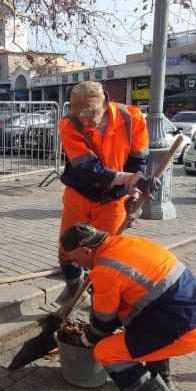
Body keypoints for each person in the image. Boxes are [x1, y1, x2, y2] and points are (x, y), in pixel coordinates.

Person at [60, 222, 196, 391]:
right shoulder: (129, 242)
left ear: (86, 250)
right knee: (139, 327)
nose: (80, 265)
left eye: (77, 260)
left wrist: (86, 339)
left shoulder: (106, 268)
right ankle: (163, 383)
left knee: (105, 351)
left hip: (186, 330)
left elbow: (103, 326)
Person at [57, 81, 158, 298]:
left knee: (106, 253)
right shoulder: (68, 124)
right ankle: (75, 290)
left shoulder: (131, 118)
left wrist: (135, 193)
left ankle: (100, 299)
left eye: (88, 115)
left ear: (104, 105)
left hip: (114, 199)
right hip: (80, 193)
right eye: (78, 114)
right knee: (68, 248)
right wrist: (130, 179)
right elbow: (88, 170)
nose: (83, 121)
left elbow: (138, 159)